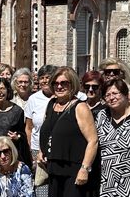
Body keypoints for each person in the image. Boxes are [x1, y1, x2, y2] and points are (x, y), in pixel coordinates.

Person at [38, 67, 98, 197]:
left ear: (72, 84)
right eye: (56, 83)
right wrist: (41, 151)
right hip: (53, 169)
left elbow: (93, 140)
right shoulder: (51, 104)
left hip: (73, 171)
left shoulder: (80, 107)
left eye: (64, 83)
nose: (59, 86)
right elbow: (48, 131)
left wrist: (85, 169)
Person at [95, 79, 130, 197]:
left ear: (125, 94)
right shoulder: (101, 115)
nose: (111, 98)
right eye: (107, 95)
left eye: (115, 93)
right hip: (105, 181)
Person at [24, 64, 56, 197]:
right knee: (41, 187)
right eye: (41, 78)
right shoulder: (33, 99)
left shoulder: (62, 96)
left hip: (58, 150)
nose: (44, 81)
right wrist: (31, 150)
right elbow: (28, 128)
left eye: (47, 77)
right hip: (38, 150)